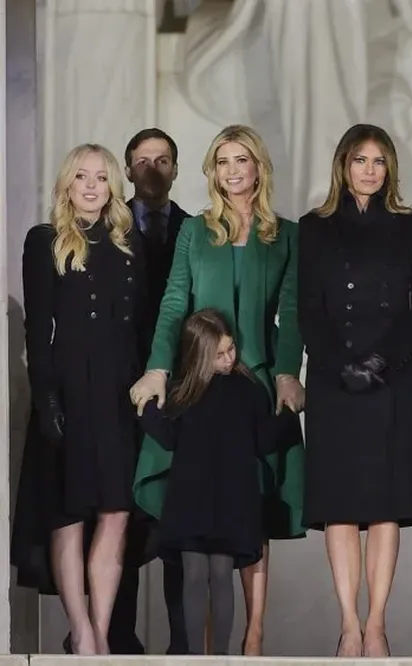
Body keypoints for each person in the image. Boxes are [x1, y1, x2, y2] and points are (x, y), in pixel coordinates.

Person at [129, 124, 306, 655]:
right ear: (213, 171)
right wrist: (159, 368)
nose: (232, 171)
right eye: (222, 161)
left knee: (252, 510)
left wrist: (286, 372)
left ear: (258, 168)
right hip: (196, 382)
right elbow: (173, 302)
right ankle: (199, 646)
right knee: (193, 513)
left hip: (255, 384)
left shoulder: (288, 234)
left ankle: (252, 634)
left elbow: (292, 312)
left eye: (241, 160)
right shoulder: (194, 231)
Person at [297, 124, 412, 658]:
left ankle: (376, 623)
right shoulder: (314, 227)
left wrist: (383, 360)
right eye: (361, 160)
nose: (370, 170)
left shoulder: (409, 225)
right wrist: (340, 364)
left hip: (393, 379)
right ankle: (347, 624)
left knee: (384, 506)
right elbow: (308, 306)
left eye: (380, 161)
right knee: (340, 507)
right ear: (343, 165)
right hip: (335, 382)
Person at [12, 144, 148, 655]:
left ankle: (102, 628)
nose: (91, 186)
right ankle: (82, 631)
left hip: (118, 393)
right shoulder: (44, 240)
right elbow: (36, 329)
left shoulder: (129, 244)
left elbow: (137, 328)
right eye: (81, 177)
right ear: (67, 184)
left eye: (100, 177)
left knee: (116, 512)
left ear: (113, 185)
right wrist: (47, 398)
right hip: (67, 389)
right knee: (67, 513)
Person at [138, 309, 299, 655]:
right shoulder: (184, 393)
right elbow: (168, 435)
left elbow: (264, 439)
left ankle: (221, 656)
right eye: (219, 354)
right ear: (199, 355)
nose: (228, 359)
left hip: (232, 498)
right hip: (192, 497)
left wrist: (290, 411)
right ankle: (197, 656)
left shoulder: (248, 390)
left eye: (231, 350)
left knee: (222, 575)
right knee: (195, 574)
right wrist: (144, 406)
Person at [112, 127, 193, 656]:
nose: (152, 169)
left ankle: (182, 644)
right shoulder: (106, 226)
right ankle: (118, 638)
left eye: (162, 160)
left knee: (176, 521)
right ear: (127, 169)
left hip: (182, 391)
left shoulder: (195, 228)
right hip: (119, 389)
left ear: (176, 169)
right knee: (122, 518)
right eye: (142, 161)